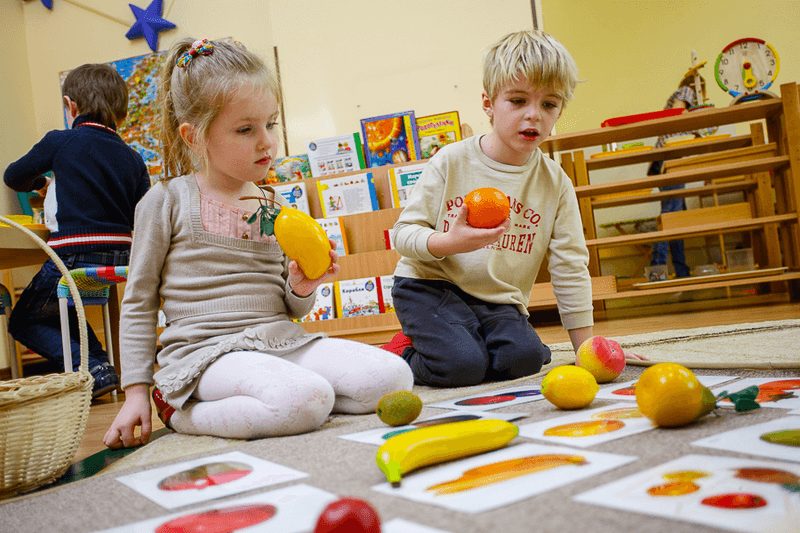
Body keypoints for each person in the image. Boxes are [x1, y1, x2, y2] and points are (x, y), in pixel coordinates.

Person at [103, 38, 412, 448]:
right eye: (246, 129)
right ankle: (182, 413)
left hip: (279, 340)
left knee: (393, 376)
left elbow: (292, 306)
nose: (267, 141)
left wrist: (303, 287)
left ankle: (294, 401)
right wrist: (136, 392)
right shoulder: (166, 200)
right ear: (195, 137)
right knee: (304, 399)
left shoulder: (274, 204)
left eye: (271, 123)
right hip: (206, 356)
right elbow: (139, 301)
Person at [381, 30, 644, 387]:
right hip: (428, 286)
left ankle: (470, 340)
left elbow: (570, 265)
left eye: (548, 104)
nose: (533, 115)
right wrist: (449, 243)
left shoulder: (555, 183)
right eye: (518, 101)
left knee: (525, 360)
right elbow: (402, 234)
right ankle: (401, 351)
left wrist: (588, 350)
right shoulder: (452, 161)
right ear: (489, 104)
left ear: (560, 110)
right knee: (462, 368)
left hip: (496, 299)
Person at [4, 63, 150, 398]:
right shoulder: (132, 158)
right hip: (121, 256)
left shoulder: (61, 141)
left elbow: (14, 176)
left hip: (74, 251)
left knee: (23, 321)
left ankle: (90, 368)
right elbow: (145, 213)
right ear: (123, 115)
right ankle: (100, 366)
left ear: (71, 106)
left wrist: (41, 184)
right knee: (63, 307)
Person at [648, 81, 712, 279]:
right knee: (670, 217)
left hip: (667, 158)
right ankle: (657, 271)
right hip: (671, 157)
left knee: (677, 219)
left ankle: (681, 270)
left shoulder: (685, 95)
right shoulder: (688, 91)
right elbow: (677, 113)